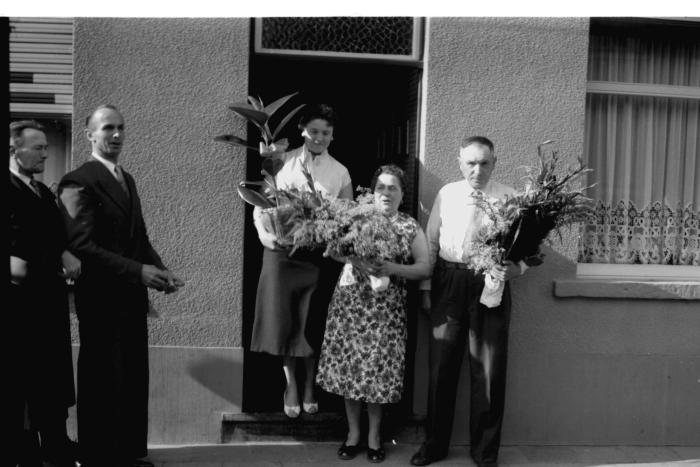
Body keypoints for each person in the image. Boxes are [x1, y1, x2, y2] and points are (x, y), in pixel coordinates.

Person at [57, 105, 184, 467]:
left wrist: (161, 271)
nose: (116, 135)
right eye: (107, 128)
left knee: (131, 373)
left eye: (121, 128)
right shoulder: (78, 180)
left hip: (130, 294)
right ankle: (96, 455)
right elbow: (81, 244)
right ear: (89, 135)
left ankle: (126, 453)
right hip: (99, 296)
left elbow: (138, 238)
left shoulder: (127, 179)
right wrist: (137, 271)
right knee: (102, 375)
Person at [410, 136, 531, 467]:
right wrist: (425, 289)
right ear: (460, 162)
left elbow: (530, 249)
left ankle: (485, 452)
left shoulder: (510, 198)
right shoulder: (447, 194)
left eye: (484, 163)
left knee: (489, 371)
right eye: (471, 163)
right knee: (441, 370)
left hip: (489, 284)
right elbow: (431, 242)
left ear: (495, 162)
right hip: (448, 282)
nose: (477, 169)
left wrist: (515, 269)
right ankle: (434, 447)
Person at [316, 165, 431, 463]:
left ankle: (374, 436)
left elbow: (425, 267)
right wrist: (355, 258)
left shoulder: (409, 226)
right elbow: (332, 250)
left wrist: (393, 269)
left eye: (393, 187)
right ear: (373, 190)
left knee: (378, 373)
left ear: (402, 194)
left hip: (386, 311)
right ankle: (353, 434)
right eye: (381, 187)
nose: (386, 193)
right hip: (351, 306)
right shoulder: (356, 216)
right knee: (350, 368)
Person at [250, 104, 353, 418]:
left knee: (312, 321)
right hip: (283, 253)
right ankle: (291, 383)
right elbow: (261, 204)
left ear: (333, 136)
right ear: (302, 130)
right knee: (286, 321)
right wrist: (262, 234)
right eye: (314, 131)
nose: (319, 137)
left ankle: (310, 384)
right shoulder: (281, 160)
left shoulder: (340, 171)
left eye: (326, 132)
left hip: (317, 256)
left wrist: (337, 240)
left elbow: (348, 216)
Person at [9, 120, 81, 467]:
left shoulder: (41, 192)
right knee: (25, 378)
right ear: (14, 149)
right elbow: (17, 249)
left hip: (49, 300)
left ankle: (56, 443)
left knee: (52, 376)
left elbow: (53, 236)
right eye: (37, 147)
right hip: (21, 305)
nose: (45, 153)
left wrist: (62, 252)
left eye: (46, 147)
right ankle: (26, 450)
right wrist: (57, 255)